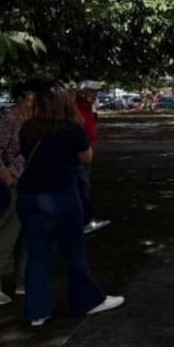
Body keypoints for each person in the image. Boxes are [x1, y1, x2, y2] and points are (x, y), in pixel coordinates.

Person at [17, 81, 123, 326]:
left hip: (29, 196)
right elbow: (86, 156)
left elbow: (24, 154)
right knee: (73, 252)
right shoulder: (72, 128)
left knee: (37, 254)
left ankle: (37, 311)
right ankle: (87, 300)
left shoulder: (27, 128)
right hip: (61, 195)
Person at [0, 80, 35, 306]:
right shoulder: (9, 118)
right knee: (4, 238)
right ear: (22, 96)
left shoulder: (32, 118)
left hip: (28, 184)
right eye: (32, 94)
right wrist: (9, 179)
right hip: (10, 185)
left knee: (27, 237)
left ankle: (22, 281)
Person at [76, 81, 109, 234]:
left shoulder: (89, 107)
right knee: (82, 186)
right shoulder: (75, 108)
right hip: (78, 154)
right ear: (81, 93)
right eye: (90, 92)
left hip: (86, 151)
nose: (94, 95)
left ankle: (84, 220)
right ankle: (85, 221)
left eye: (95, 92)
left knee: (84, 185)